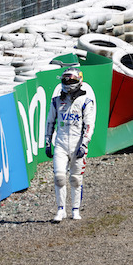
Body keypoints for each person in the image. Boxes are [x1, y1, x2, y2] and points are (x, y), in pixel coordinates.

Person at [44, 67, 96, 222]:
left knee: (75, 179)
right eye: (65, 80)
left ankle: (75, 209)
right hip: (60, 143)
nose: (68, 83)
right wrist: (47, 142)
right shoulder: (56, 101)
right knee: (59, 177)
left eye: (71, 80)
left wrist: (84, 144)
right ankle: (61, 210)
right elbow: (50, 121)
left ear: (79, 81)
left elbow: (89, 124)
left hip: (77, 143)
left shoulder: (86, 101)